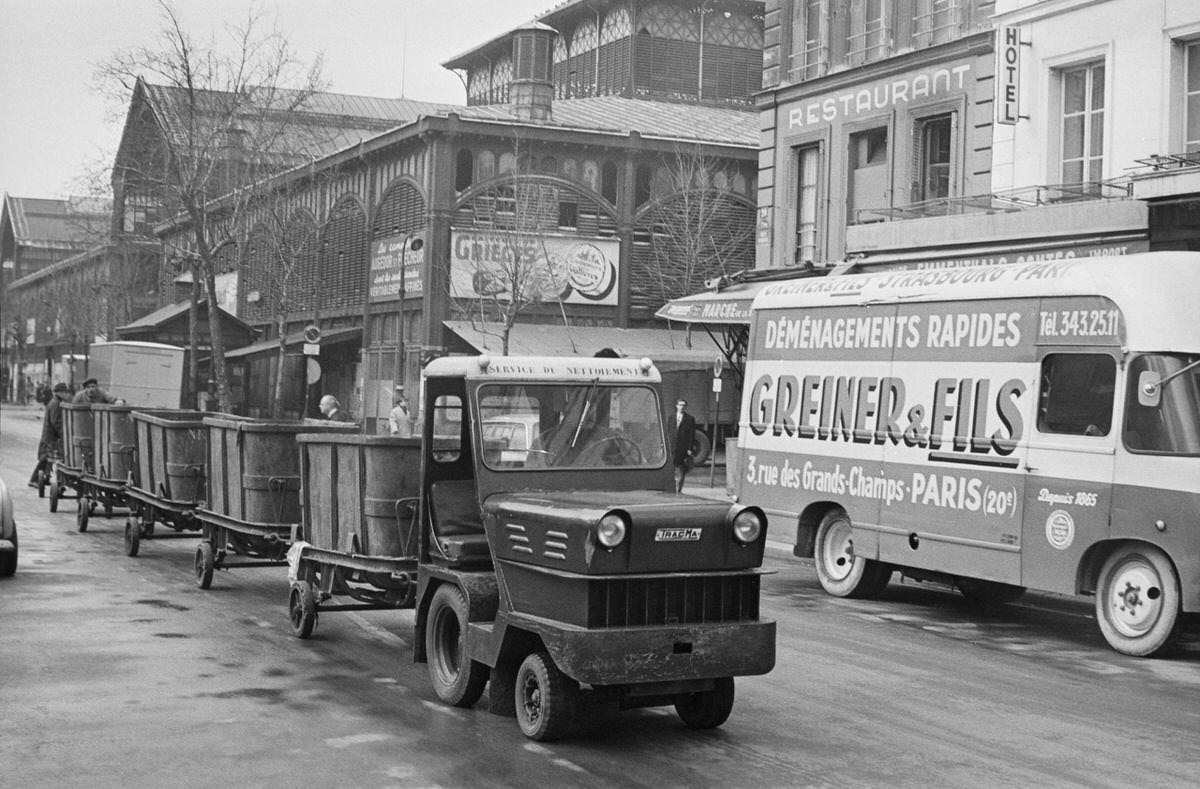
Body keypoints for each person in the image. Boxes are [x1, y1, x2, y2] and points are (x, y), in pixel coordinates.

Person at [29, 383, 70, 487]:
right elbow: (56, 422)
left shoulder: (54, 402)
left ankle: (45, 478)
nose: (66, 394)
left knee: (48, 458)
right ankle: (34, 480)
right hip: (51, 437)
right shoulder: (56, 404)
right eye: (65, 392)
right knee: (45, 458)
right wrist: (64, 434)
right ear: (60, 393)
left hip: (49, 435)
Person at [672, 399, 696, 493]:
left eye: (683, 405)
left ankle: (679, 489)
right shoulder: (671, 418)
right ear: (676, 406)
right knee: (671, 469)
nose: (682, 407)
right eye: (680, 405)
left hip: (683, 448)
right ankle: (672, 487)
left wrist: (689, 448)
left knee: (681, 469)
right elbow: (668, 431)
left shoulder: (690, 419)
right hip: (672, 447)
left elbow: (691, 435)